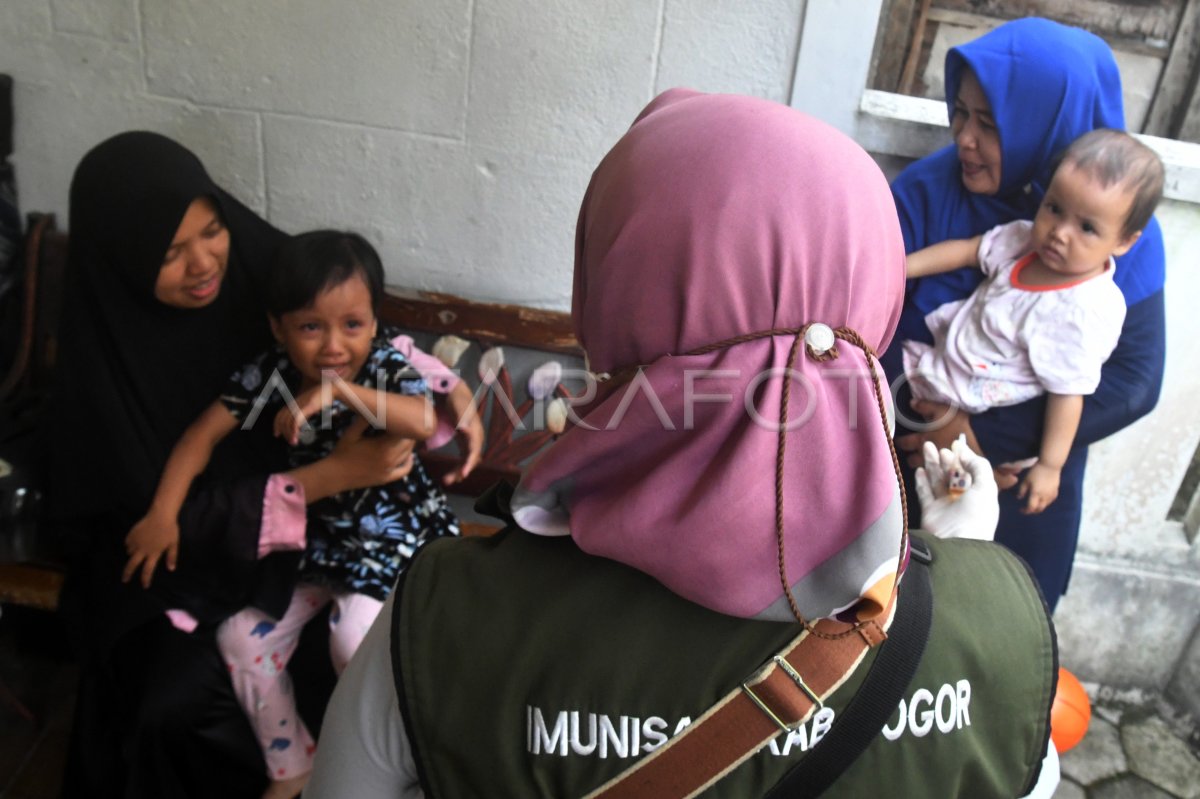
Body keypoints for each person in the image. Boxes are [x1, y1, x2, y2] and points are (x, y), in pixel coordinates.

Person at [306, 89, 1059, 798]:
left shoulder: (442, 619)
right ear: (878, 295)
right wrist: (952, 577)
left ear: (611, 292)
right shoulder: (1002, 635)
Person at [46, 132, 481, 798]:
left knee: (359, 639)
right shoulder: (101, 373)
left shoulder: (265, 278)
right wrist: (332, 475)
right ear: (124, 260)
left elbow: (361, 329)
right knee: (181, 701)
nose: (202, 264)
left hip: (327, 546)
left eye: (213, 228)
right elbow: (152, 526)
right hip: (180, 575)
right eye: (169, 252)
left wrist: (455, 393)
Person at [122, 228, 461, 798]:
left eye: (352, 325)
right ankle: (292, 764)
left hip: (390, 547)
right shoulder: (272, 373)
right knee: (241, 638)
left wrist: (340, 393)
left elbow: (423, 422)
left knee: (352, 640)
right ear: (279, 327)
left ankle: (401, 768)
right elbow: (200, 438)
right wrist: (162, 513)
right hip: (316, 551)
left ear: (375, 323)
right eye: (311, 326)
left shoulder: (379, 367)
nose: (333, 345)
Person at [883, 17, 1167, 609]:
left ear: (1050, 123)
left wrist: (980, 436)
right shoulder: (925, 193)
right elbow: (861, 327)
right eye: (961, 113)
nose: (964, 137)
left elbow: (1134, 382)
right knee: (893, 629)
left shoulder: (1114, 237)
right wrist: (926, 423)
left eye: (990, 124)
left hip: (1027, 486)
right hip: (906, 464)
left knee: (1000, 641)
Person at [903, 129, 1163, 515]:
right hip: (947, 367)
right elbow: (968, 251)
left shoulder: (1082, 309)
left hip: (982, 404)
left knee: (952, 487)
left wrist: (1050, 465)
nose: (1059, 234)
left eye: (1087, 228)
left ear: (1125, 241)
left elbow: (1068, 394)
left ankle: (954, 518)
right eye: (1054, 209)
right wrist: (900, 268)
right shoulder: (1022, 242)